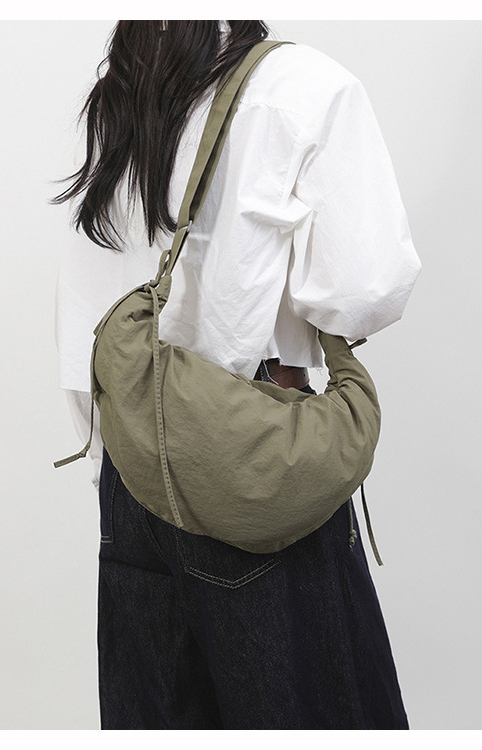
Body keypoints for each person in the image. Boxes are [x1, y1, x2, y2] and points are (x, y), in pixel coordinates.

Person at [53, 20, 421, 730]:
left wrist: (107, 452)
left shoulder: (118, 94)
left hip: (132, 470)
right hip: (256, 464)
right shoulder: (304, 86)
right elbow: (363, 291)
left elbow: (85, 302)